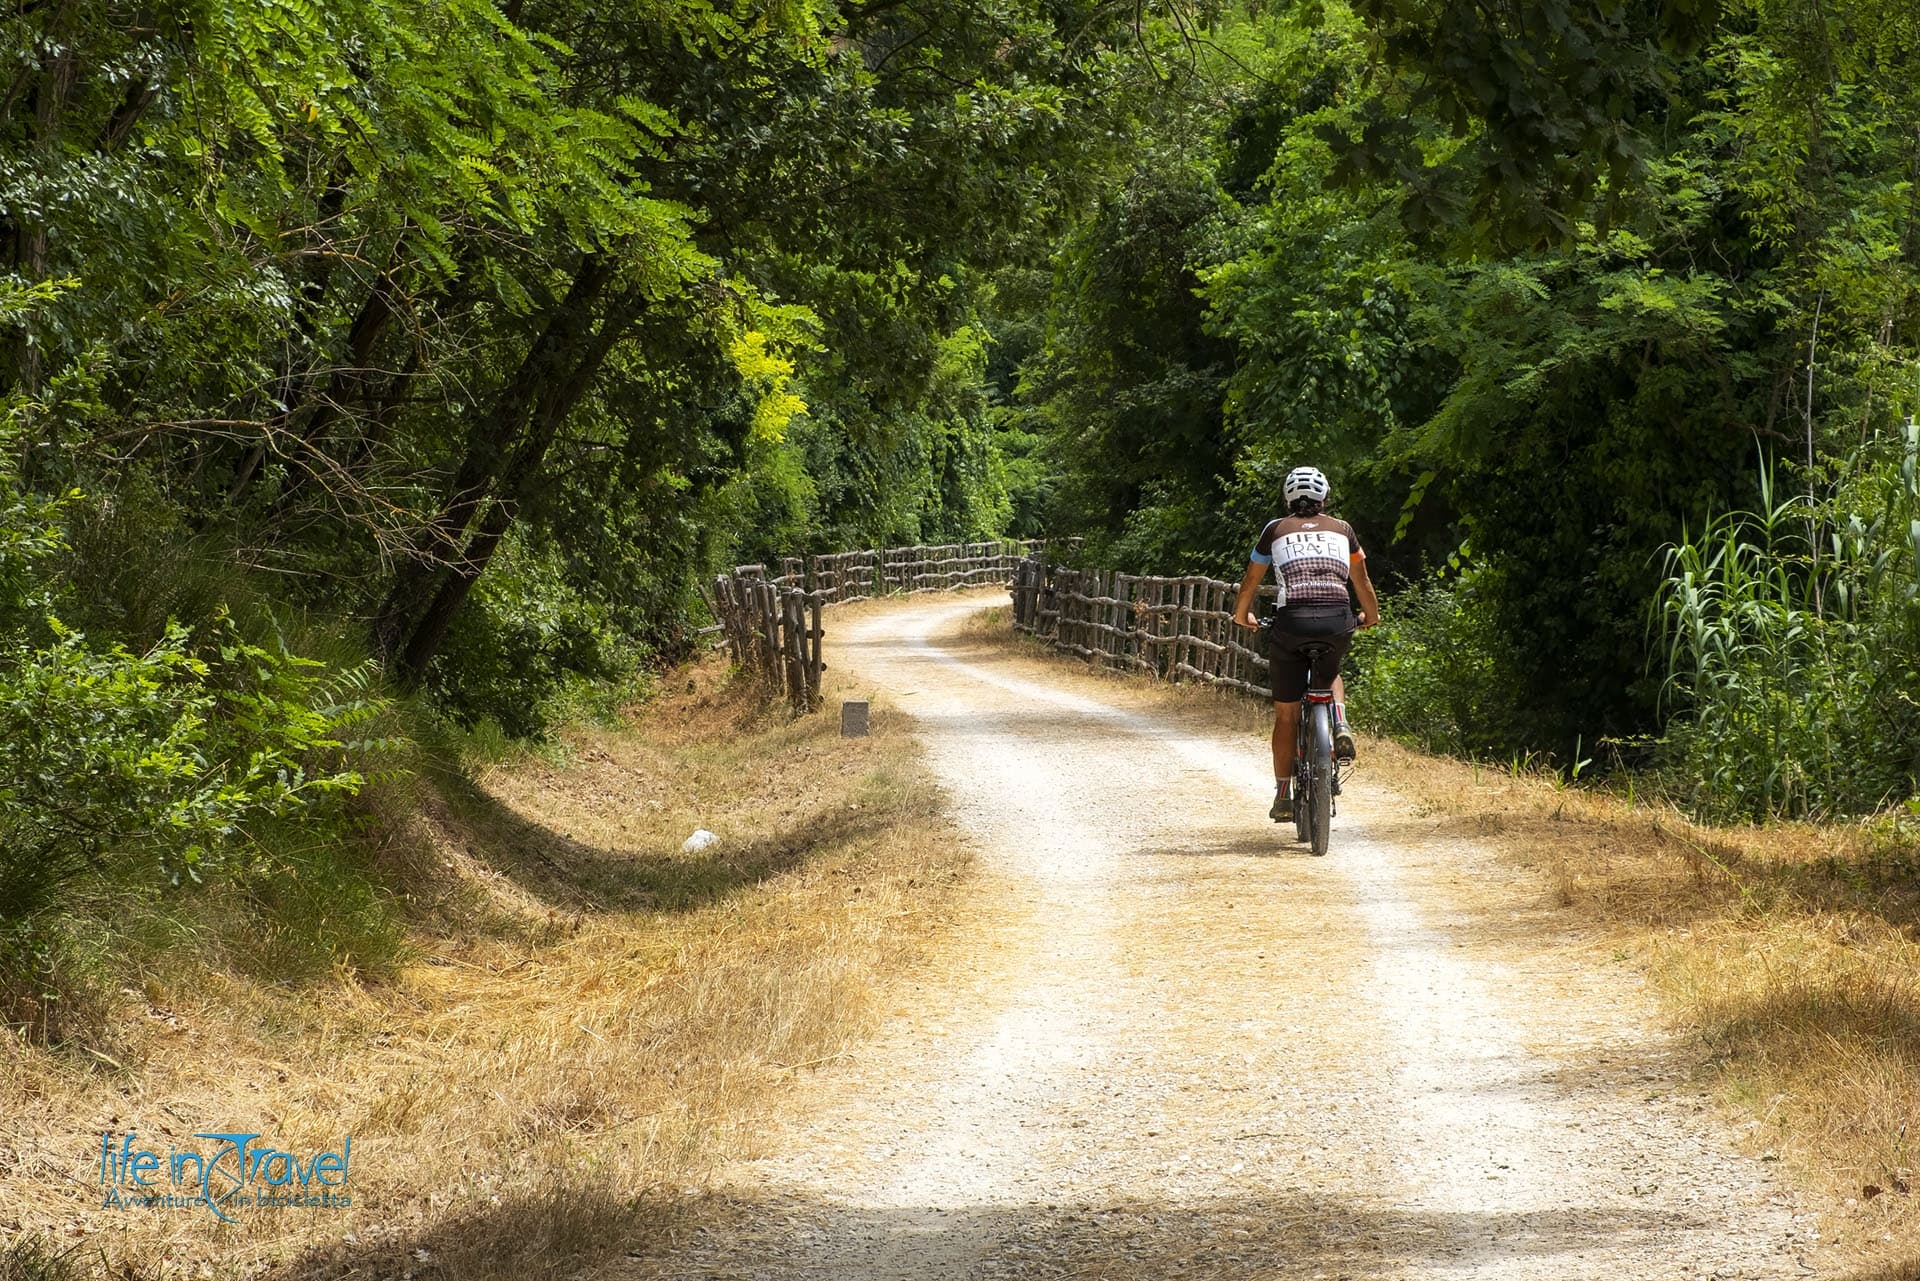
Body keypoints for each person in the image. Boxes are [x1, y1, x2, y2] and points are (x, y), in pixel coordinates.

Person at [1231, 466, 1380, 822]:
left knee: (1285, 716)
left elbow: (1252, 580)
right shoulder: (1344, 530)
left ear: (1287, 498)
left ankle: (1283, 794)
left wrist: (1242, 615)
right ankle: (1340, 723)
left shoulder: (1274, 530)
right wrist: (1370, 617)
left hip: (1292, 621)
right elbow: (1362, 580)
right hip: (1336, 619)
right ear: (1324, 498)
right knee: (1331, 671)